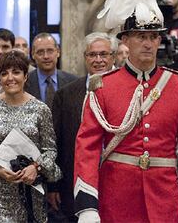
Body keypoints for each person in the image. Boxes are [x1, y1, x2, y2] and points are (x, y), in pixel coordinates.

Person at [74, 0, 178, 223]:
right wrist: (88, 205)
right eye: (141, 36)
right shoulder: (103, 86)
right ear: (125, 40)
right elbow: (87, 149)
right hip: (117, 199)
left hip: (164, 200)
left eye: (153, 37)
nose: (148, 43)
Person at [0, 50, 61, 222]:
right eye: (4, 73)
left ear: (25, 76)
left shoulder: (41, 109)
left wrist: (35, 167)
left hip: (30, 190)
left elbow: (50, 150)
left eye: (16, 72)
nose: (10, 78)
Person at [48, 32, 116, 222]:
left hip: (116, 183)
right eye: (92, 55)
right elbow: (57, 143)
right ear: (85, 58)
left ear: (113, 57)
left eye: (103, 54)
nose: (98, 60)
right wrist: (53, 186)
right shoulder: (66, 94)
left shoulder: (128, 92)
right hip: (75, 185)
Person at [25, 33, 77, 108]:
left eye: (50, 51)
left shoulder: (72, 82)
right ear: (33, 54)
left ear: (58, 52)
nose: (46, 56)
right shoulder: (24, 83)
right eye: (40, 52)